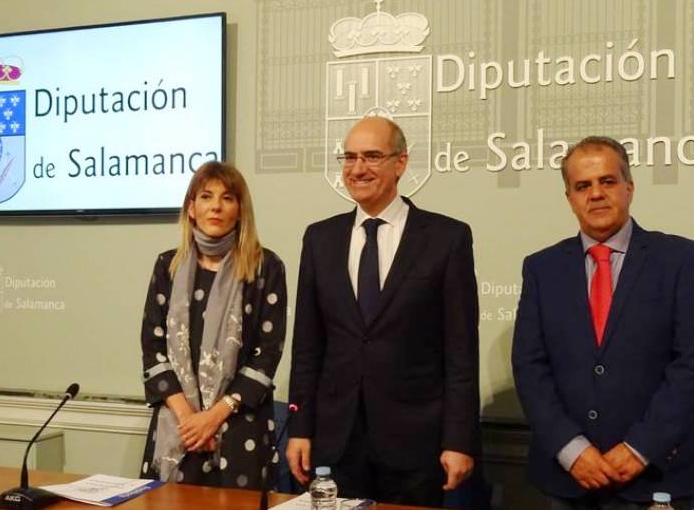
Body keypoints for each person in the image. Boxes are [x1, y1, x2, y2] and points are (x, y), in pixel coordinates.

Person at [512, 136, 694, 510]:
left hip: (655, 478)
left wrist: (640, 448)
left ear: (629, 187)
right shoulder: (541, 268)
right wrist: (571, 449)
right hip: (568, 479)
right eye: (582, 186)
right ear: (569, 197)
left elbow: (693, 364)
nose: (596, 194)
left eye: (607, 181)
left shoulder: (680, 259)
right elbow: (529, 367)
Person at [286, 116, 480, 507]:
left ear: (401, 163)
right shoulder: (320, 238)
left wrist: (459, 440)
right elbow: (307, 346)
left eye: (372, 156)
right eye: (349, 157)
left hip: (416, 446)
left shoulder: (447, 238)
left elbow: (461, 352)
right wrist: (300, 428)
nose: (357, 169)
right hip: (336, 444)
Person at [139, 161, 287, 490]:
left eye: (227, 198)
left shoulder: (266, 267)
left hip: (240, 429)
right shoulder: (167, 265)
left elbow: (267, 355)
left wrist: (212, 417)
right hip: (179, 426)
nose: (216, 206)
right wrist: (190, 420)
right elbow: (153, 349)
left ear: (240, 210)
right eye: (206, 196)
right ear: (191, 208)